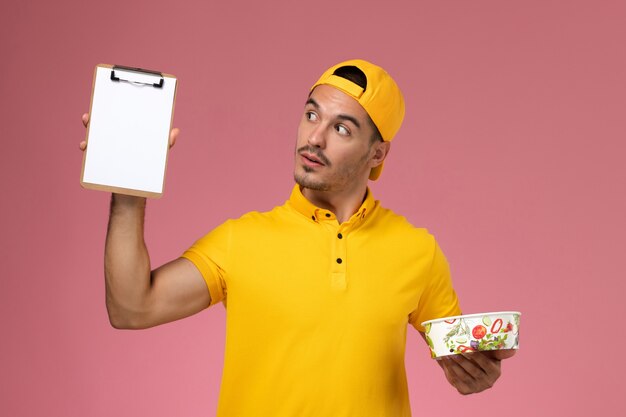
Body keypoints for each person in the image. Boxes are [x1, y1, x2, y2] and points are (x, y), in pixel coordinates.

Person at [80, 59, 515, 416]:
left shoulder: (418, 250)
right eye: (311, 115)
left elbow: (461, 359)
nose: (315, 137)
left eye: (342, 129)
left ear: (377, 154)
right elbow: (131, 308)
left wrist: (478, 374)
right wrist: (128, 188)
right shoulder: (241, 240)